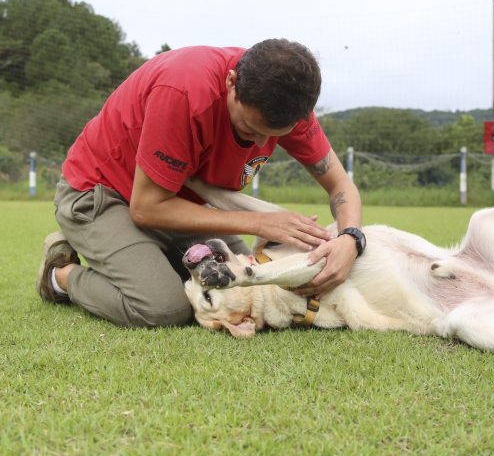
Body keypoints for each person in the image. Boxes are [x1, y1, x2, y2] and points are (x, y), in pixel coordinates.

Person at [36, 38, 365, 328]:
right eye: (250, 130)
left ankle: (151, 260)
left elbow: (341, 186)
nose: (260, 142)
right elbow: (146, 208)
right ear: (231, 82)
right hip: (102, 193)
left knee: (236, 284)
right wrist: (260, 223)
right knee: (162, 307)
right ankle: (60, 276)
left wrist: (350, 239)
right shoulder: (183, 91)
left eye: (274, 136)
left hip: (178, 202)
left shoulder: (289, 105)